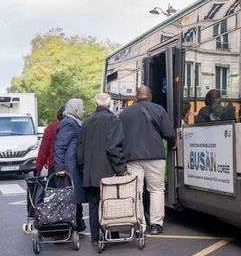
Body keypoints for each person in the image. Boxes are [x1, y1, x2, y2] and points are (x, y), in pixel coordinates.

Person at [119, 85, 175, 235]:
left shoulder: (124, 113)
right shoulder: (159, 109)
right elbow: (169, 133)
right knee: (156, 190)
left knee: (136, 192)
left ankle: (139, 225)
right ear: (149, 96)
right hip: (155, 156)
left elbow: (120, 137)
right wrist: (173, 143)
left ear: (136, 96)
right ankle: (156, 224)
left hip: (132, 158)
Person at [77, 93, 127, 245]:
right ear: (110, 104)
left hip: (90, 173)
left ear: (95, 105)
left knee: (93, 205)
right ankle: (113, 234)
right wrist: (121, 168)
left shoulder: (86, 122)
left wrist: (83, 168)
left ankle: (95, 237)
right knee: (111, 202)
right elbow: (114, 147)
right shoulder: (112, 120)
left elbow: (80, 149)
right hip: (108, 171)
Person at [53, 99, 85, 231]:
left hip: (71, 166)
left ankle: (76, 225)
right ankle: (70, 226)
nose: (84, 111)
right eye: (82, 108)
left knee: (73, 197)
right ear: (75, 109)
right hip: (68, 168)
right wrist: (59, 168)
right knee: (70, 198)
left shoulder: (72, 122)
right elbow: (59, 146)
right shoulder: (68, 123)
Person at [35, 105, 65, 176]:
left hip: (54, 166)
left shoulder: (51, 127)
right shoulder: (76, 126)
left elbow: (44, 148)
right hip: (72, 167)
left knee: (53, 186)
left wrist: (39, 166)